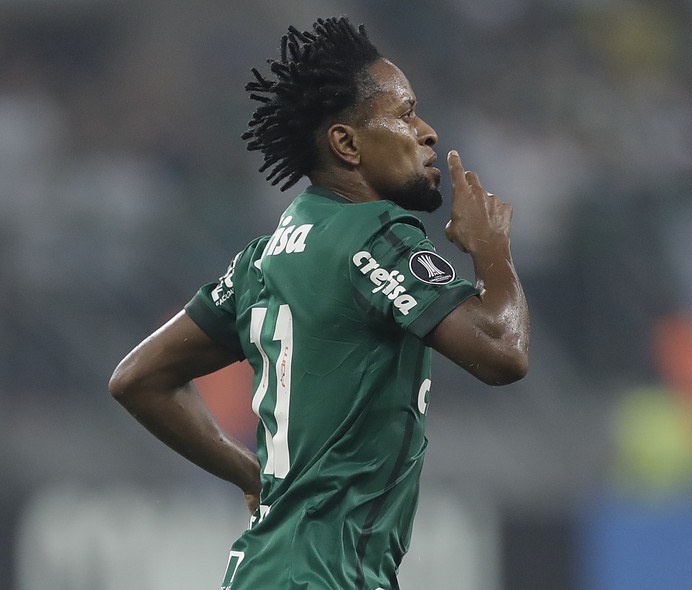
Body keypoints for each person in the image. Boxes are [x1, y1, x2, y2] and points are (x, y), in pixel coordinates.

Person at [109, 16, 529, 590]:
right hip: (322, 577)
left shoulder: (263, 258)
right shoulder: (375, 234)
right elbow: (502, 353)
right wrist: (493, 250)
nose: (428, 132)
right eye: (405, 114)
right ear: (347, 143)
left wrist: (253, 476)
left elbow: (138, 378)